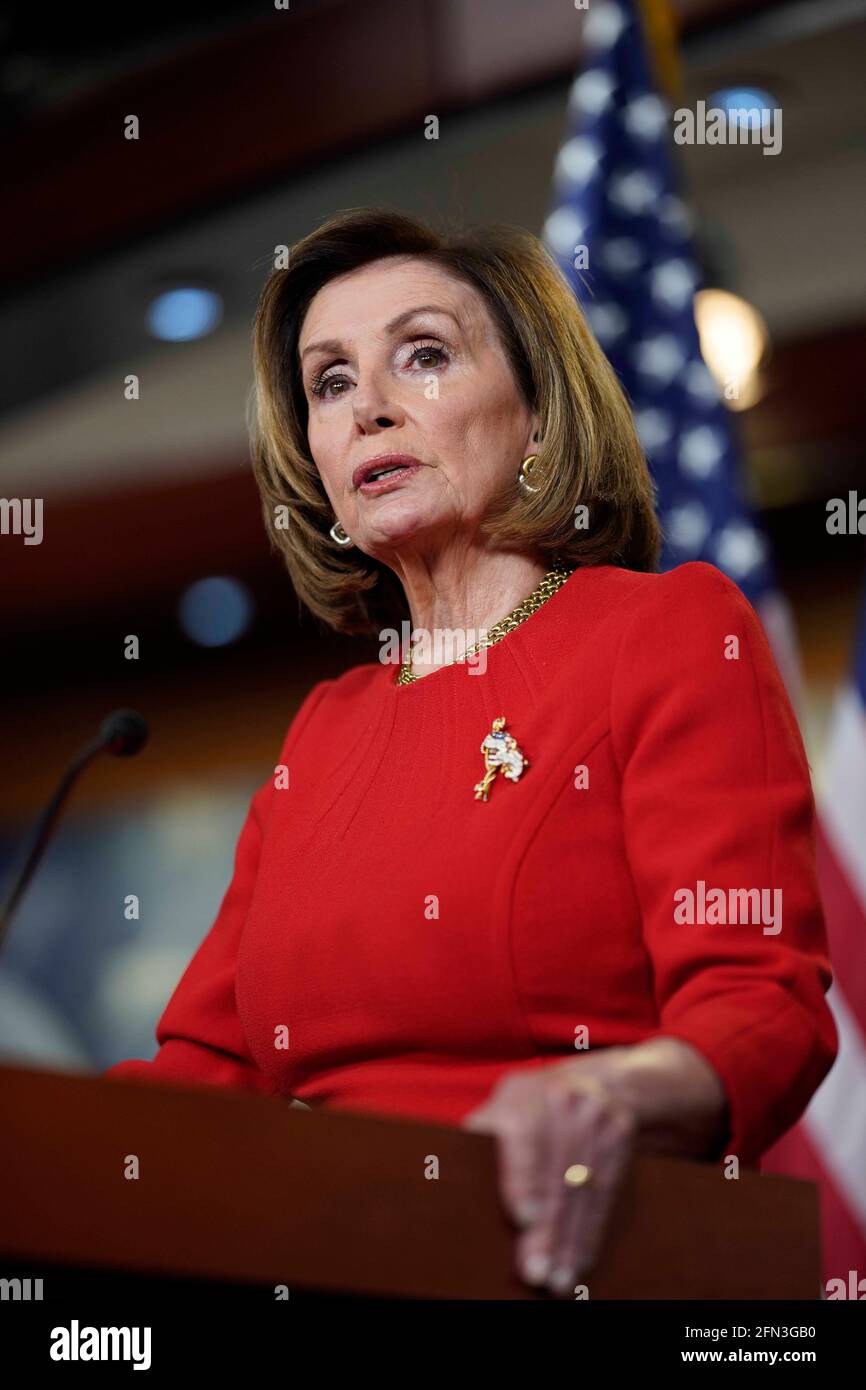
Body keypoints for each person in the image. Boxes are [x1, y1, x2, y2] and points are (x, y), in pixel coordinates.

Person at [105, 207, 837, 1296]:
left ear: (538, 412)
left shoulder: (664, 631)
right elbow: (209, 1070)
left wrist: (619, 1093)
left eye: (423, 355)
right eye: (331, 383)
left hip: (567, 1249)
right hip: (314, 1251)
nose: (371, 409)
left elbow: (757, 1000)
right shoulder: (327, 726)